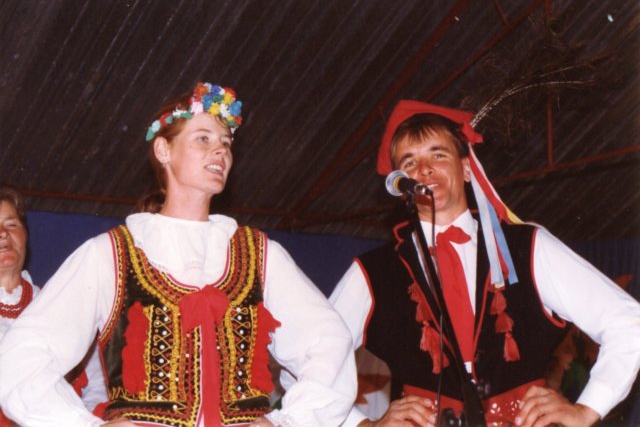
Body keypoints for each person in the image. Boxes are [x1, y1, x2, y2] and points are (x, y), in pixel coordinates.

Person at [0, 82, 357, 426]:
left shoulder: (261, 255)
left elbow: (329, 341)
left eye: (226, 143)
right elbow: (23, 355)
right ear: (163, 150)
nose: (220, 151)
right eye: (203, 139)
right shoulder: (110, 254)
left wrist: (289, 422)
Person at [330, 100, 640, 427]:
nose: (423, 169)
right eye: (409, 162)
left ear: (466, 168)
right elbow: (311, 357)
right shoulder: (374, 271)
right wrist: (360, 425)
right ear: (398, 184)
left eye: (438, 154)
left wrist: (587, 409)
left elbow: (628, 321)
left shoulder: (526, 246)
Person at [0, 184, 107, 425]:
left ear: (25, 234)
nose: (3, 233)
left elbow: (98, 386)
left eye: (11, 224)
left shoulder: (59, 305)